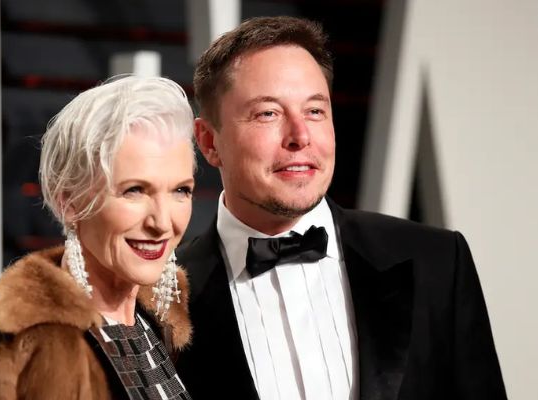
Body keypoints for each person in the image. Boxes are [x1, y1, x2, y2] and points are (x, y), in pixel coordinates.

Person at [174, 16, 507, 400]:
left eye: (315, 111)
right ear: (208, 141)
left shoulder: (437, 261)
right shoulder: (159, 298)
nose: (300, 136)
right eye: (268, 113)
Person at [0, 76, 196, 400]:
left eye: (181, 190)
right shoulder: (8, 347)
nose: (163, 222)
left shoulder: (169, 323)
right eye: (134, 190)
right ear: (69, 202)